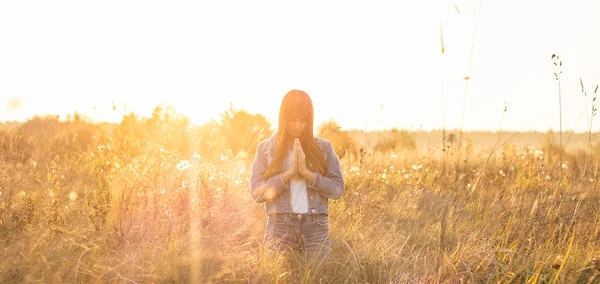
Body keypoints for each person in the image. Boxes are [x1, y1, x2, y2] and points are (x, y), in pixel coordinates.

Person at [249, 89, 345, 267]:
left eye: (303, 120)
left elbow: (337, 189)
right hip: (280, 227)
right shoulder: (266, 149)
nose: (297, 125)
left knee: (319, 277)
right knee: (275, 277)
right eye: (292, 120)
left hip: (316, 227)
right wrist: (288, 175)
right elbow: (257, 193)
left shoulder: (323, 148)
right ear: (283, 118)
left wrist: (309, 175)